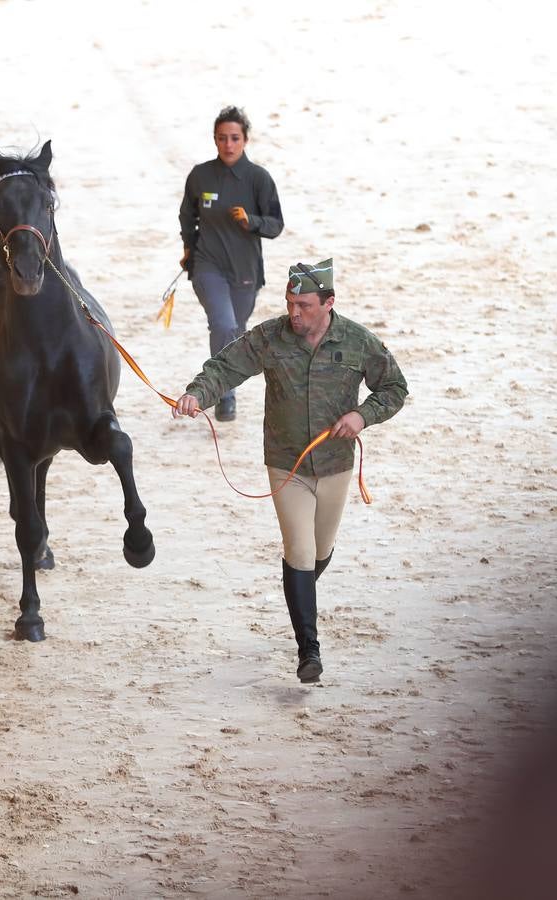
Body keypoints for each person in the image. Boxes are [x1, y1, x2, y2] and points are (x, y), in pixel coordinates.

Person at [173, 260, 408, 682]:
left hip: (335, 464)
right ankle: (309, 652)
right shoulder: (270, 337)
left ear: (328, 303)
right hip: (286, 463)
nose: (294, 313)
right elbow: (226, 367)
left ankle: (300, 599)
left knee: (320, 552)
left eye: (303, 305)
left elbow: (394, 388)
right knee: (298, 551)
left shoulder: (357, 341)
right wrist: (197, 394)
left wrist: (362, 416)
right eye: (289, 303)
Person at [179, 105, 285, 420]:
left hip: (245, 271)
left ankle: (225, 385)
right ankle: (223, 393)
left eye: (235, 138)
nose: (228, 145)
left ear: (246, 140)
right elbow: (187, 216)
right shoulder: (200, 175)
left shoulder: (258, 178)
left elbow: (275, 225)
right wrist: (188, 248)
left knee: (235, 332)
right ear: (214, 139)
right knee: (223, 325)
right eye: (222, 138)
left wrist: (250, 220)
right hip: (208, 266)